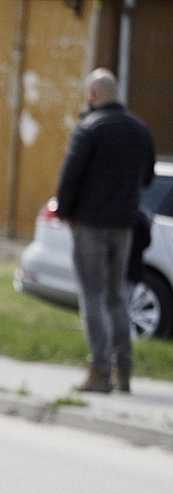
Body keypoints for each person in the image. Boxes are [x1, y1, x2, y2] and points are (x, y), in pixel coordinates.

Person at [54, 68, 156, 394]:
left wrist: (65, 212)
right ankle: (123, 371)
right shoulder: (140, 130)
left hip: (89, 225)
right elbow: (147, 178)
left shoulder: (89, 128)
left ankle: (99, 371)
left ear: (92, 95)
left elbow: (69, 177)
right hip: (124, 226)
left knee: (93, 297)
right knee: (117, 297)